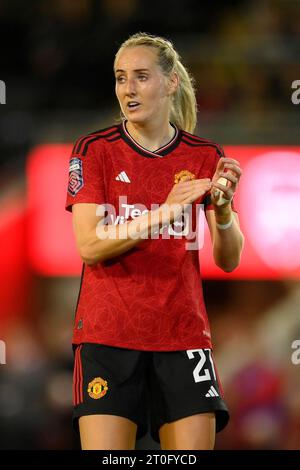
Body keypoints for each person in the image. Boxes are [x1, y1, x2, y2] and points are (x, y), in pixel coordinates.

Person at [65, 32, 244, 450]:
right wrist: (165, 212)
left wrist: (221, 211)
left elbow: (230, 259)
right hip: (108, 337)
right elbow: (89, 245)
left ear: (171, 83)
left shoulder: (205, 155)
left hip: (183, 335)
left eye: (141, 76)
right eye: (120, 77)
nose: (128, 88)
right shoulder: (94, 151)